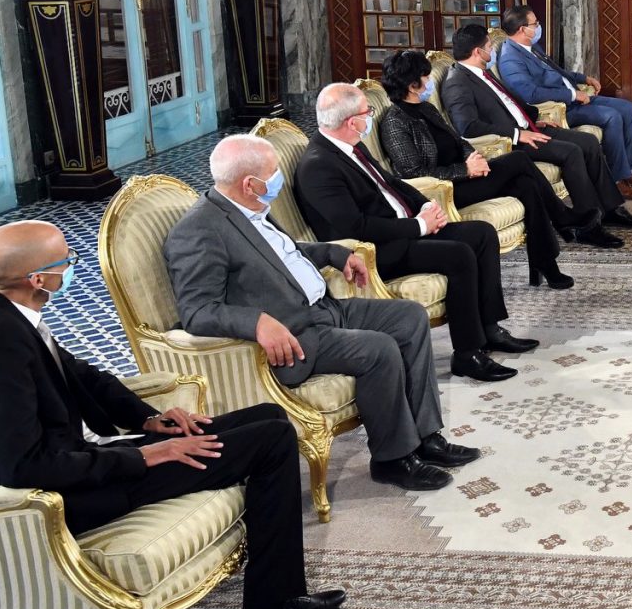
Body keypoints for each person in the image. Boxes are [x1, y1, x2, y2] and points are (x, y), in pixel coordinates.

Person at [0, 220, 345, 609]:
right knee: (270, 442)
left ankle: (284, 594)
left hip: (91, 456)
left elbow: (85, 377)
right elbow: (26, 466)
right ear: (38, 280)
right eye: (66, 260)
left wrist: (151, 420)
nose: (72, 266)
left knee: (269, 416)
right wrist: (149, 456)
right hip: (74, 491)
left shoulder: (12, 317)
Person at [168, 135, 486, 488]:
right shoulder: (199, 231)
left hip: (324, 307)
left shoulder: (249, 206)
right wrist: (257, 323)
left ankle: (427, 438)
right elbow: (197, 310)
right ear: (249, 184)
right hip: (297, 335)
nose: (278, 180)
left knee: (409, 317)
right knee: (379, 348)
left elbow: (280, 254)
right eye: (273, 174)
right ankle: (393, 459)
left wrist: (334, 253)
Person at [295, 84, 536, 381]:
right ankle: (467, 354)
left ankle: (490, 329)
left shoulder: (350, 145)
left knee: (482, 234)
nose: (370, 117)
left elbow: (391, 183)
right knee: (460, 255)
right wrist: (420, 226)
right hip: (376, 251)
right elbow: (356, 227)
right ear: (351, 122)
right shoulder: (318, 166)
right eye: (367, 112)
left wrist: (426, 206)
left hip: (403, 231)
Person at [377, 49, 602, 288]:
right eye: (425, 76)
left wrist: (473, 157)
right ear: (413, 85)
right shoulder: (395, 122)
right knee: (518, 159)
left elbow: (459, 141)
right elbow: (414, 173)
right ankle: (563, 218)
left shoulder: (427, 109)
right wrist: (465, 170)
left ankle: (546, 262)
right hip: (445, 190)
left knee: (526, 185)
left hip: (467, 175)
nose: (429, 80)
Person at [441, 22, 632, 237]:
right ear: (477, 52)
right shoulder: (457, 82)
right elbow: (469, 127)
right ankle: (587, 225)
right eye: (489, 47)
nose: (492, 50)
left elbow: (509, 104)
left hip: (530, 128)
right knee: (572, 152)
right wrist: (518, 133)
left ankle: (610, 209)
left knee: (589, 142)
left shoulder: (483, 72)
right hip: (510, 142)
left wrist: (534, 120)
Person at [496, 5, 632, 200]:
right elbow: (530, 94)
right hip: (561, 108)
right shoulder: (510, 59)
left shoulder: (531, 46)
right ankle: (617, 180)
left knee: (627, 108)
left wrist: (583, 78)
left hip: (573, 97)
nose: (538, 26)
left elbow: (556, 71)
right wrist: (572, 95)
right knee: (612, 116)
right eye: (535, 24)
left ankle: (630, 171)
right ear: (523, 29)